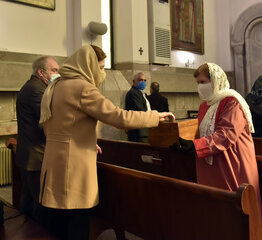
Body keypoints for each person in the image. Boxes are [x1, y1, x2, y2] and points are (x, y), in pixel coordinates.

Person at [38, 45, 174, 240]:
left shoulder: (57, 85)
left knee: (58, 226)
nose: (102, 73)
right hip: (73, 169)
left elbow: (58, 126)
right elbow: (119, 117)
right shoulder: (82, 87)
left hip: (55, 163)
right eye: (100, 68)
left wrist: (83, 139)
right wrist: (154, 117)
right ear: (88, 66)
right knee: (77, 225)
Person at [173, 63, 262, 228]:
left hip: (232, 161)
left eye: (203, 82)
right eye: (198, 83)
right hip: (210, 162)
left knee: (237, 207)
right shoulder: (204, 105)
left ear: (215, 81)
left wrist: (196, 146)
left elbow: (227, 134)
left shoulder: (232, 102)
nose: (200, 87)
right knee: (216, 209)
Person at [16, 56, 59, 221]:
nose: (57, 73)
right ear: (41, 72)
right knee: (40, 204)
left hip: (30, 155)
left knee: (28, 203)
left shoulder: (35, 86)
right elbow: (51, 117)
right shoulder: (36, 89)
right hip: (36, 156)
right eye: (54, 70)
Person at [125, 72, 152, 142]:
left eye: (144, 80)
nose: (143, 82)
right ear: (134, 81)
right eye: (140, 80)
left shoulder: (143, 94)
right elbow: (140, 111)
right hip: (138, 131)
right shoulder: (133, 93)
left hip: (145, 129)